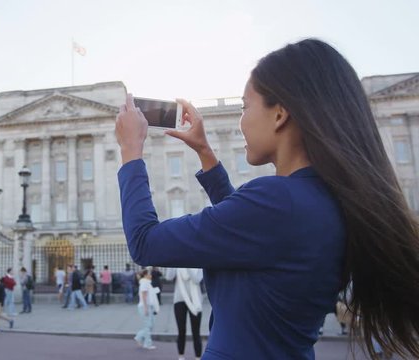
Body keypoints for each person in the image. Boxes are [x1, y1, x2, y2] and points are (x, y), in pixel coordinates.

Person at [115, 38, 419, 359]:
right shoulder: (319, 200)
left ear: (280, 114)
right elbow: (249, 231)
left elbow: (144, 242)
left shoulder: (276, 201)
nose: (241, 120)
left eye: (246, 107)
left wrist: (131, 151)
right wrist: (205, 153)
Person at [166, 268, 204, 360]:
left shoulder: (198, 265)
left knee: (196, 332)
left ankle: (198, 357)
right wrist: (173, 261)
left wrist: (187, 264)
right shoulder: (178, 263)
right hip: (179, 299)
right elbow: (168, 277)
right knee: (181, 331)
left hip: (196, 302)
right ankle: (181, 356)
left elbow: (197, 279)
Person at [134, 269, 156, 350]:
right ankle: (147, 343)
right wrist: (146, 308)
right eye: (149, 274)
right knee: (147, 326)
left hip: (148, 306)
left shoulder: (147, 283)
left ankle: (139, 337)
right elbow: (144, 296)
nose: (151, 275)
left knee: (150, 325)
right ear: (146, 275)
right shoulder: (144, 283)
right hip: (144, 306)